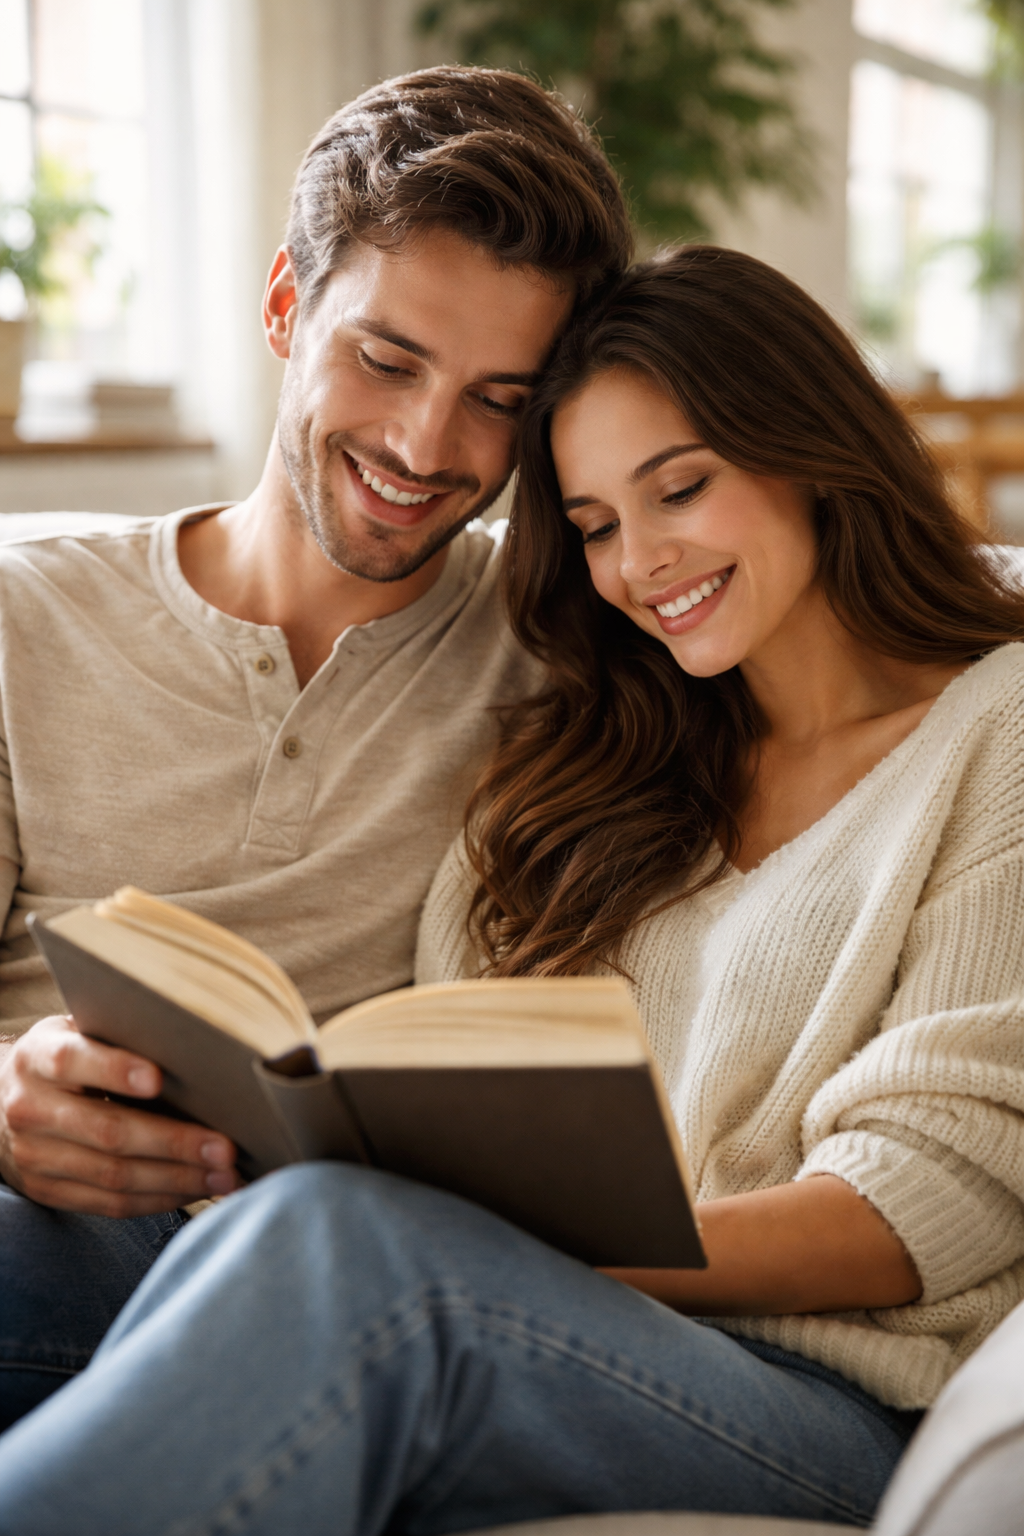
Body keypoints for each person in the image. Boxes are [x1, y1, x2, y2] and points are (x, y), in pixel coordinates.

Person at [3, 247, 1023, 1536]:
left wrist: (524, 1240)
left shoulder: (998, 734)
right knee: (30, 1244)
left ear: (811, 449)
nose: (642, 562)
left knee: (352, 1247)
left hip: (810, 1397)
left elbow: (928, 1204)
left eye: (681, 491)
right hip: (514, 1310)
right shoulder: (588, 757)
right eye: (596, 526)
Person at [0, 66, 633, 1429]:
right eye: (388, 360)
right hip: (40, 1232)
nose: (424, 444)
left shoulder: (567, 659)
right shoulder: (23, 620)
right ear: (287, 305)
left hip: (333, 1288)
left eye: (498, 399)